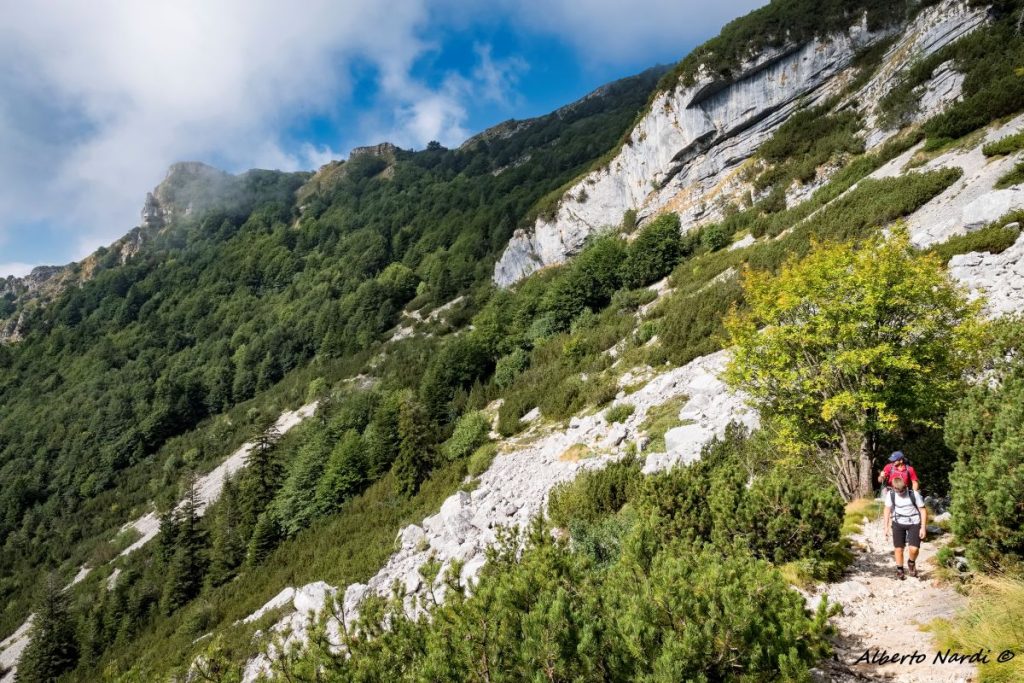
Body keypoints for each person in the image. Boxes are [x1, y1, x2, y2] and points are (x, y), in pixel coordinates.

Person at [883, 475, 927, 579]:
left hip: (914, 522)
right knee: (899, 549)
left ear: (906, 486)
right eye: (898, 491)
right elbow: (887, 509)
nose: (901, 493)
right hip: (898, 522)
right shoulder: (891, 494)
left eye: (903, 490)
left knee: (914, 549)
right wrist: (886, 527)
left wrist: (923, 527)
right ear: (894, 488)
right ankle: (900, 570)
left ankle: (911, 563)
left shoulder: (914, 494)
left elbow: (923, 510)